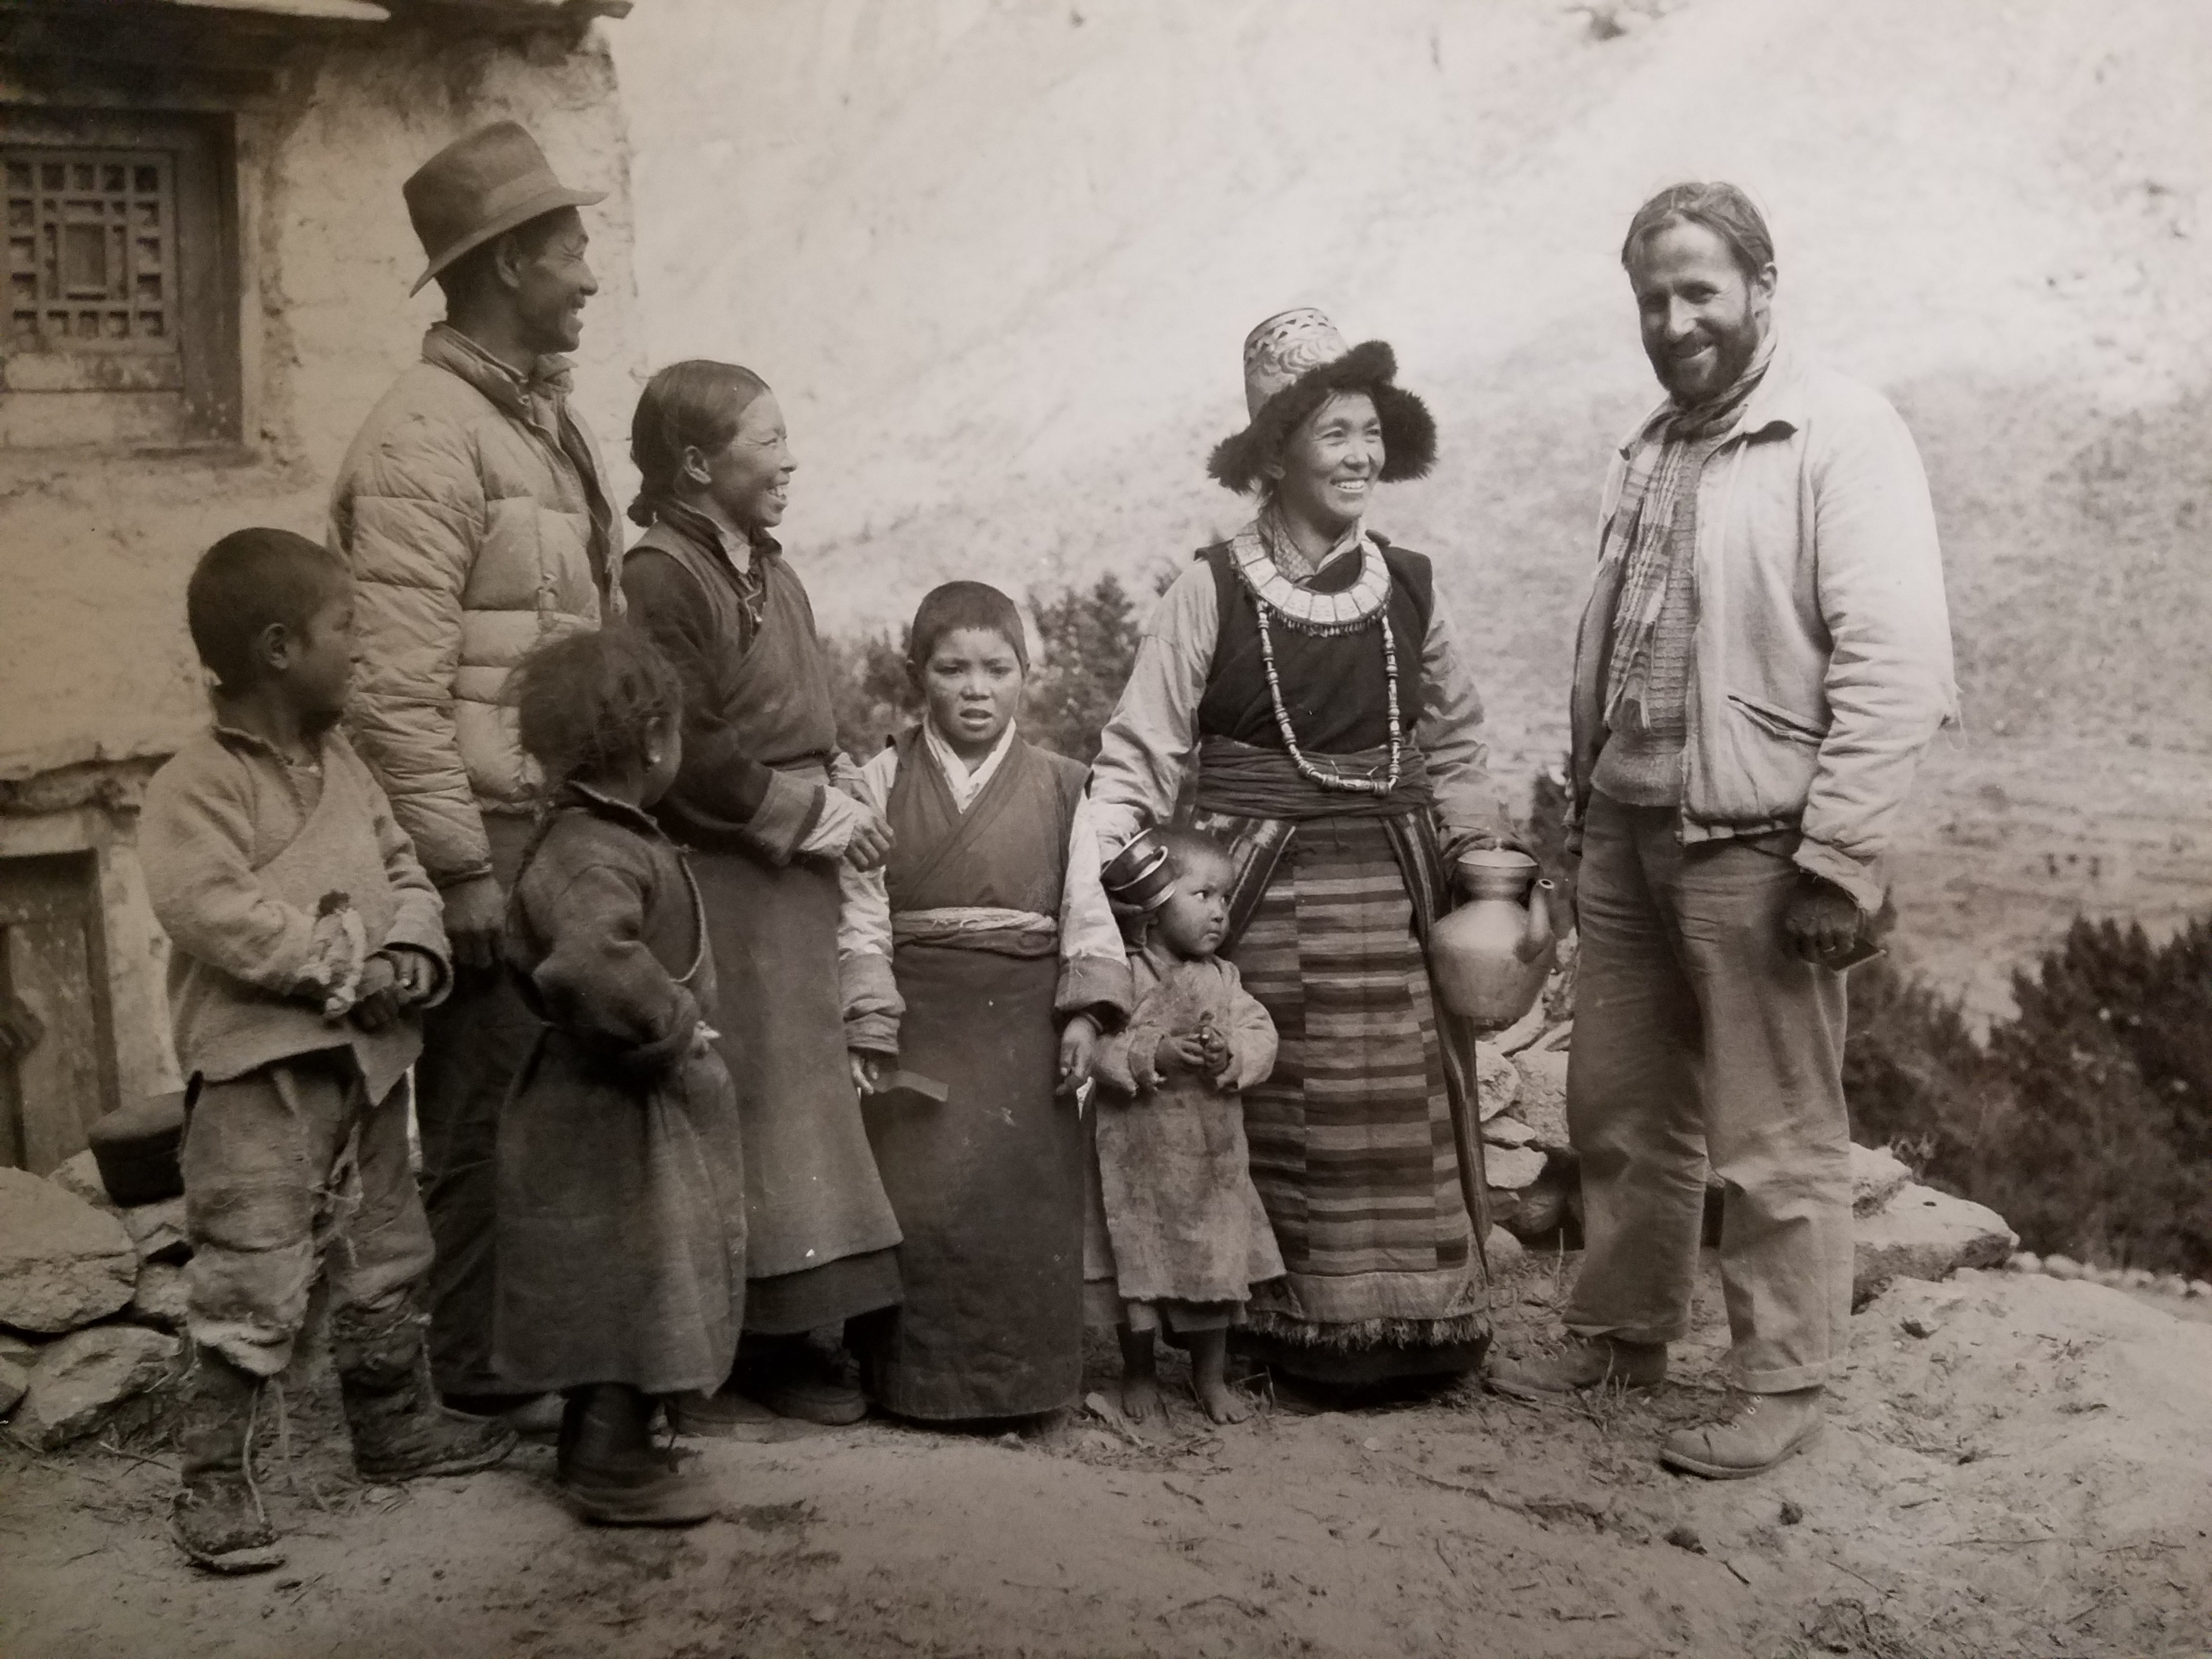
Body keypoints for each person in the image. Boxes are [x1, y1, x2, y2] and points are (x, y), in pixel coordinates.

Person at [1488, 184, 1957, 1479]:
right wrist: (1585, 809)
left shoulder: (1840, 433)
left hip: (1764, 839)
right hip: (1631, 826)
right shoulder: (1650, 447)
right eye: (1654, 298)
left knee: (1776, 1126)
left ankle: (1785, 1379)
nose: (1677, 319)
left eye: (1701, 290)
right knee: (1622, 1104)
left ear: (1761, 285)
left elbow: (1899, 661)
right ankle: (1625, 1332)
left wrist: (1840, 856)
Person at [1090, 309, 1518, 1390]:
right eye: (1334, 432)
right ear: (1275, 451)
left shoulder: (1413, 587)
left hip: (1392, 894)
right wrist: (1146, 900)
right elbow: (1135, 761)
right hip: (1260, 898)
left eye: (1372, 431)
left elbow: (1460, 739)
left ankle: (1418, 1340)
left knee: (1403, 1104)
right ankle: (1277, 1341)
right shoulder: (1210, 591)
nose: (1362, 455)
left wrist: (1477, 862)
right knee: (1275, 1093)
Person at [142, 530, 515, 1575]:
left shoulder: (347, 767)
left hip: (368, 1067)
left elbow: (406, 872)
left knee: (388, 1250)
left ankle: (396, 1426)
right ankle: (213, 1482)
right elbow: (212, 909)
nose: (362, 646)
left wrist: (408, 949)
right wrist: (335, 965)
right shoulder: (195, 785)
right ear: (276, 646)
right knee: (252, 1270)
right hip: (261, 1081)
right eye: (347, 625)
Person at [330, 122, 617, 1429]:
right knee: (481, 1115)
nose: (590, 276)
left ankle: (542, 1361)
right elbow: (392, 698)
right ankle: (482, 1386)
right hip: (485, 836)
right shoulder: (422, 445)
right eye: (568, 251)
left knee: (551, 1107)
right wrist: (458, 872)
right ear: (506, 264)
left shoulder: (540, 428)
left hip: (552, 827)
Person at [618, 360, 902, 1429]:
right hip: (717, 875)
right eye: (767, 442)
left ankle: (799, 1332)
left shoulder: (771, 573)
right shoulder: (661, 576)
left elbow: (810, 723)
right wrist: (814, 814)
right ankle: (753, 1350)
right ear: (697, 466)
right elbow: (685, 750)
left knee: (803, 1103)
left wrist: (838, 805)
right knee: (751, 1105)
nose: (790, 461)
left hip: (792, 879)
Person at [836, 583, 1132, 1422]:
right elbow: (859, 915)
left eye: (998, 669)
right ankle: (915, 1387)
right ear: (915, 674)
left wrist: (1085, 1012)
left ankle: (1023, 1387)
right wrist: (870, 1016)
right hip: (920, 1021)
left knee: (1019, 1208)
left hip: (1025, 1024)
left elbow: (1087, 907)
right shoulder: (879, 779)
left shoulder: (1065, 785)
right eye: (953, 668)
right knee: (920, 1206)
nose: (977, 689)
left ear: (1025, 676)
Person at [496, 627, 744, 1525]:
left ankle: (622, 1434)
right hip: (607, 1113)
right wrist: (671, 1023)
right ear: (651, 740)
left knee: (645, 1271)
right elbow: (592, 964)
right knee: (623, 1278)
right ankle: (607, 1457)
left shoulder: (602, 836)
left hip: (627, 1111)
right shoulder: (591, 850)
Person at [1090, 827, 1283, 1425]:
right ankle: (1139, 1371)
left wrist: (1233, 1055)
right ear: (1153, 904)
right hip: (1135, 1156)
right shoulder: (1120, 974)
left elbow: (1262, 1034)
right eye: (1203, 896)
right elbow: (1096, 1049)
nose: (1220, 913)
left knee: (1215, 1265)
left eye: (1225, 899)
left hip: (1210, 1158)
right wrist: (1153, 1054)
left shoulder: (1225, 978)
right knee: (1138, 1267)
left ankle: (1208, 1376)